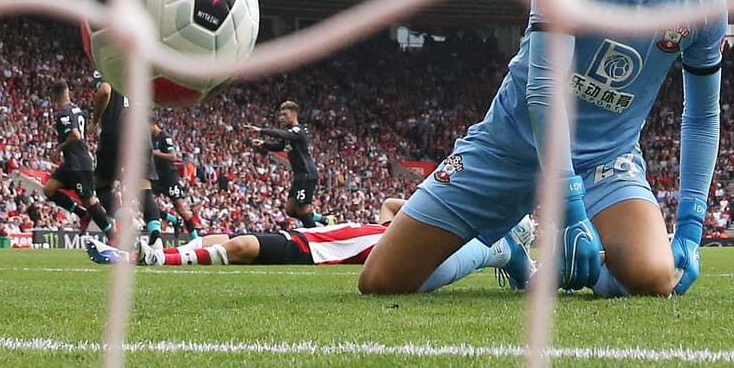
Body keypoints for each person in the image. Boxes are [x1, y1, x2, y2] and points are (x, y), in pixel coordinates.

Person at [358, 0, 734, 297]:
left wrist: (691, 228)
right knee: (383, 282)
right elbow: (543, 86)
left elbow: (701, 117)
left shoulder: (705, 3)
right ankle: (497, 248)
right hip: (511, 145)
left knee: (653, 279)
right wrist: (570, 207)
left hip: (605, 162)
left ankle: (577, 268)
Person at [85, 202, 539, 292]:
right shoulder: (396, 223)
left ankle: (152, 258)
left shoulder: (391, 241)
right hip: (313, 238)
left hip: (318, 249)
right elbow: (390, 203)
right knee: (229, 240)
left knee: (240, 245)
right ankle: (137, 255)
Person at [89, 76, 164, 246]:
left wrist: (94, 121)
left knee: (102, 185)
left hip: (115, 133)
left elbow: (105, 91)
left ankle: (127, 221)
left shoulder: (108, 67)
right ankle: (156, 237)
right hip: (141, 134)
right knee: (144, 188)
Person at [42, 79, 114, 239]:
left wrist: (57, 150)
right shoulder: (77, 109)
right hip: (71, 163)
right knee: (49, 189)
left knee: (89, 200)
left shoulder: (63, 113)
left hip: (78, 164)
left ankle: (112, 234)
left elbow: (75, 134)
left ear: (54, 96)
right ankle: (82, 214)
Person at [245, 101, 326, 228]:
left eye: (284, 115)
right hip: (299, 176)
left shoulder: (299, 130)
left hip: (307, 174)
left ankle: (315, 236)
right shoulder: (289, 133)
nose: (281, 118)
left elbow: (282, 134)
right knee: (290, 210)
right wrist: (263, 144)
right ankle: (323, 219)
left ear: (293, 115)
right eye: (280, 115)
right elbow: (279, 146)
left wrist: (261, 130)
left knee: (301, 210)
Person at [150, 122, 201, 240]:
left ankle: (195, 239)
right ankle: (173, 219)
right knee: (145, 204)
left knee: (180, 208)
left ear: (152, 125)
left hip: (169, 177)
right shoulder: (150, 138)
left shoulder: (164, 137)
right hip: (156, 177)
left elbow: (173, 157)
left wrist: (156, 153)